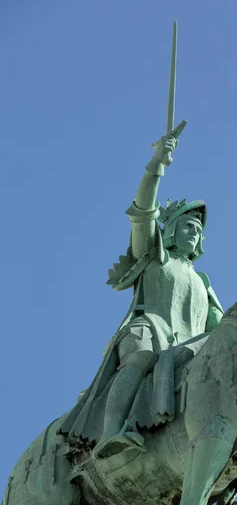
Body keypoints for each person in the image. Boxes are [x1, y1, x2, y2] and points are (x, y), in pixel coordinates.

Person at [60, 134, 224, 459]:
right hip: (147, 330)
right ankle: (111, 433)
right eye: (189, 225)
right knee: (141, 358)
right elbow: (144, 211)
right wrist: (156, 167)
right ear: (171, 230)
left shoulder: (203, 281)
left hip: (186, 349)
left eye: (199, 230)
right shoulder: (153, 254)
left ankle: (235, 487)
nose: (196, 233)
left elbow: (219, 327)